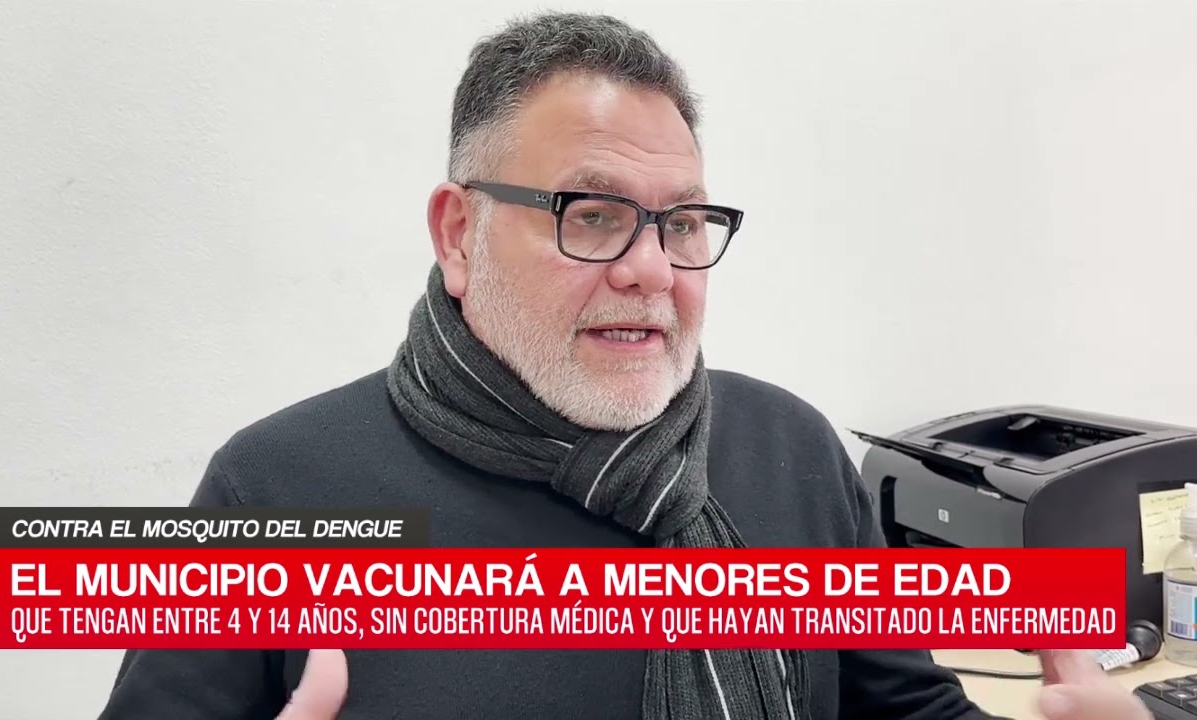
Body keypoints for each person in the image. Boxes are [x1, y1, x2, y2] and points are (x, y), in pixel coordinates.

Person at [98, 11, 1151, 720]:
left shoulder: (786, 446)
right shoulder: (273, 493)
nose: (650, 269)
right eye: (591, 215)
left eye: (682, 223)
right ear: (459, 234)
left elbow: (904, 709)